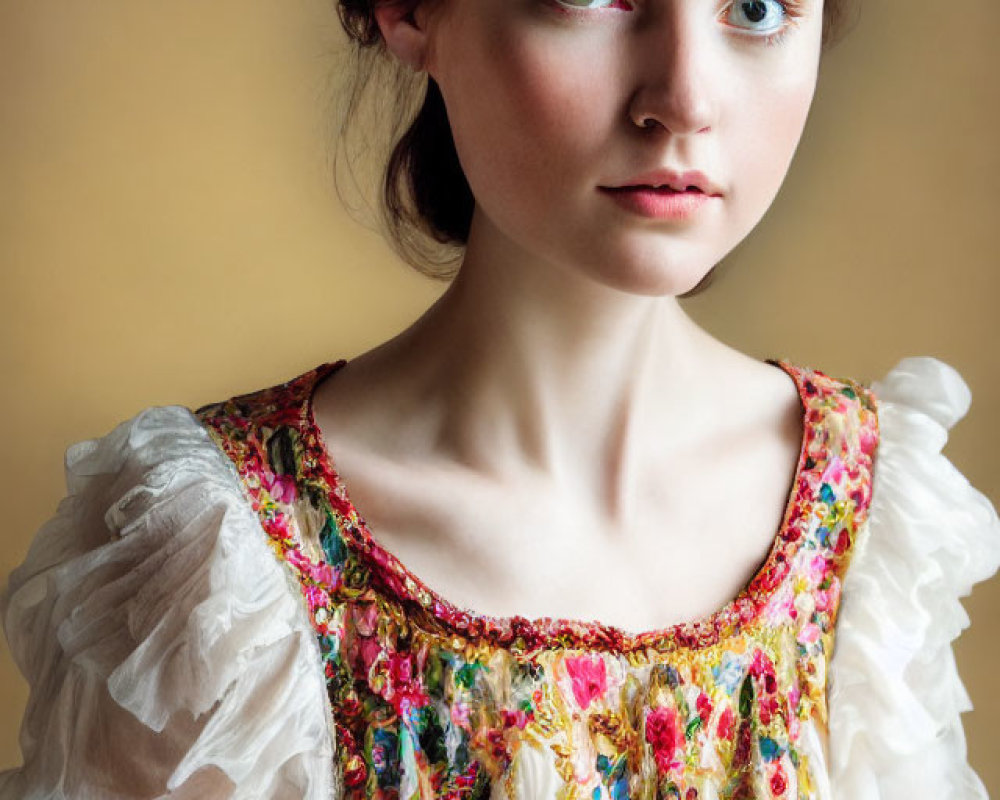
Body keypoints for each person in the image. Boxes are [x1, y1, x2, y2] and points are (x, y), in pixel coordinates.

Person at [1, 0, 998, 797]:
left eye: (755, 6)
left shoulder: (869, 523)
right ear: (409, 13)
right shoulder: (225, 565)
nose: (685, 97)